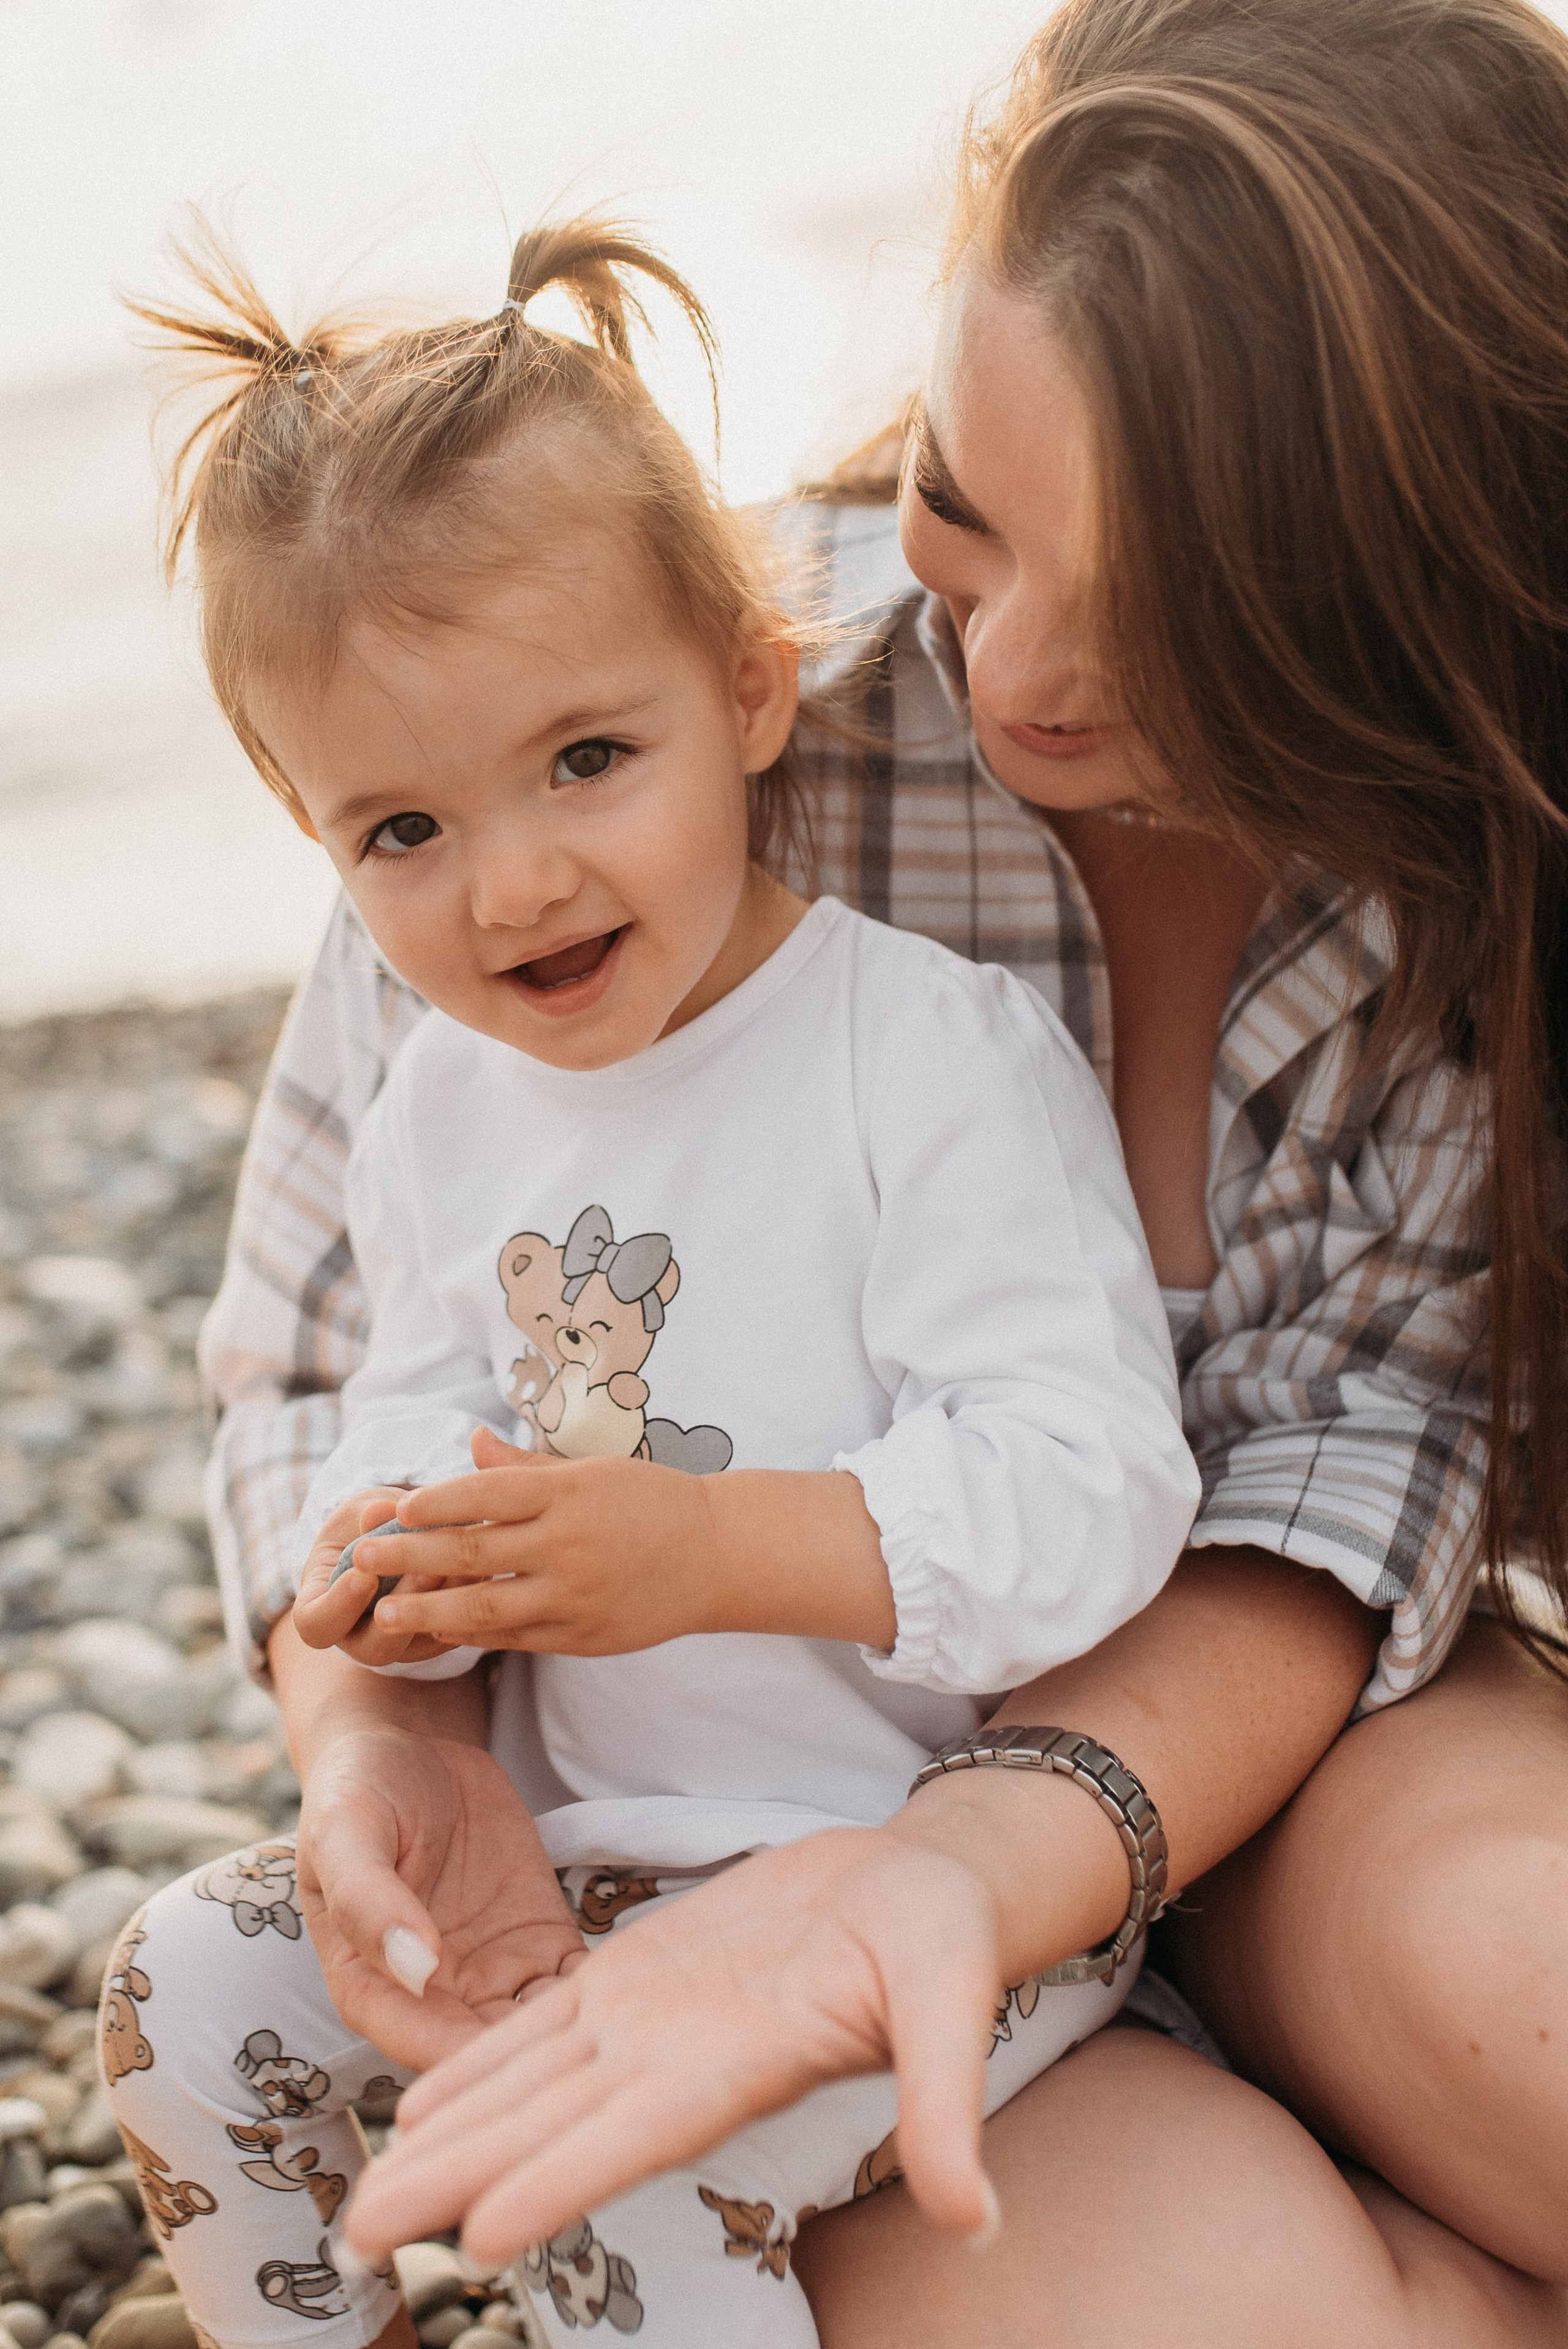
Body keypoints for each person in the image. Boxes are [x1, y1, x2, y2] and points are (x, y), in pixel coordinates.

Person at [113, 0, 1568, 2340]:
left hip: (1301, 1739)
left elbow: (1339, 1484)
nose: (1016, 678)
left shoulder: (1459, 880)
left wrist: (961, 1827)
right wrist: (398, 1728)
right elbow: (322, 1387)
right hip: (746, 1844)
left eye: (1179, 601)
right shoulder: (581, 708)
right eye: (970, 515)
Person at [99, 217, 1199, 2349]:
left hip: (921, 1868)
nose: (509, 884)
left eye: (586, 760)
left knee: (642, 2160)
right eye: (398, 831)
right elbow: (400, 1392)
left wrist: (705, 1545)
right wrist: (390, 1588)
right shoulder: (440, 1096)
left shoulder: (929, 1053)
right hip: (582, 1856)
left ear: (750, 685)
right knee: (179, 1989)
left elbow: (1093, 1486)